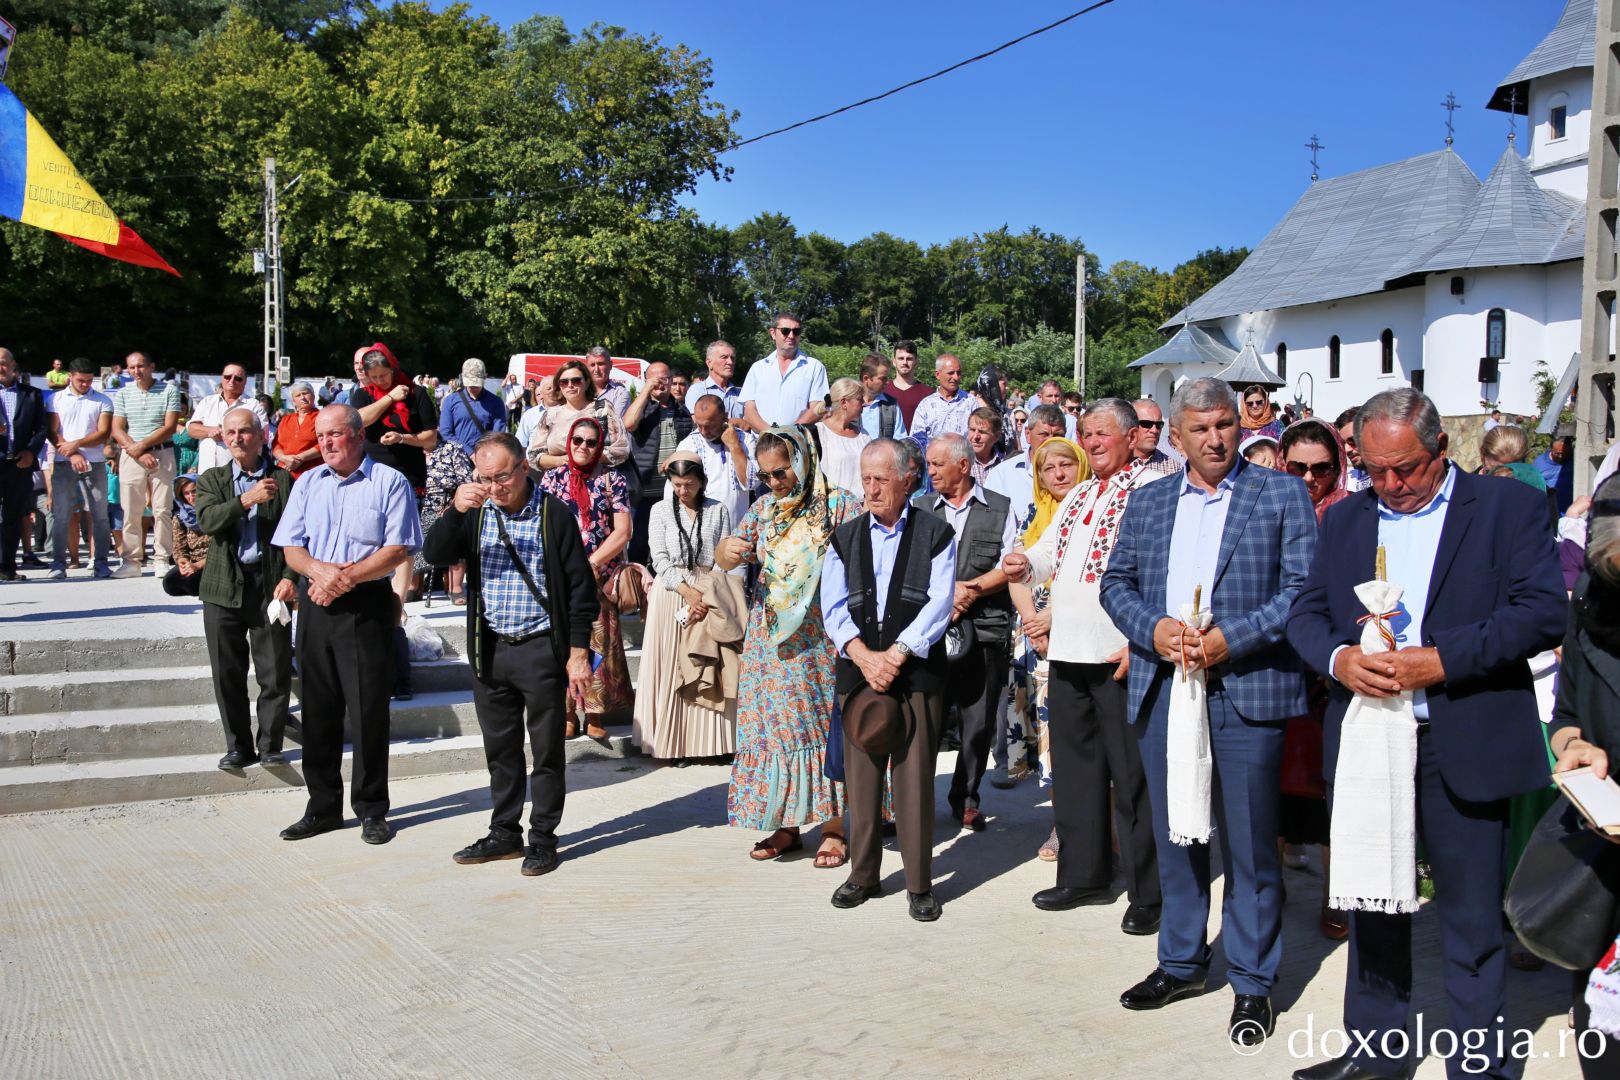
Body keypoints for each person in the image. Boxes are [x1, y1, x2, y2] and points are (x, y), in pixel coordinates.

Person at [1285, 388, 1566, 1080]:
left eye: (1405, 469)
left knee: (1471, 919)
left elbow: (1541, 614)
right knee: (1373, 905)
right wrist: (1340, 660)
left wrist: (1442, 659)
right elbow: (1307, 611)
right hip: (1371, 741)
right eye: (1373, 469)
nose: (1390, 485)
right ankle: (1375, 1055)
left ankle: (1481, 1064)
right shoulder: (1349, 517)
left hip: (1459, 737)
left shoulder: (1509, 509)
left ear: (1442, 450)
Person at [1099, 376, 1317, 1047]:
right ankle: (1182, 961)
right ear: (1175, 434)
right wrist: (1155, 629)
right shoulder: (1153, 499)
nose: (1215, 438)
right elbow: (1117, 581)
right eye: (1200, 428)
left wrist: (1234, 638)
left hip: (1245, 686)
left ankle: (1253, 982)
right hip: (1167, 686)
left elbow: (1303, 587)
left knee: (1250, 843)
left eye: (1224, 425)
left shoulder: (1279, 493)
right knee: (1176, 834)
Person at [1004, 399, 1162, 933]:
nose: (1092, 443)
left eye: (1102, 434)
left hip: (1118, 653)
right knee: (1076, 773)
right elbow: (1049, 552)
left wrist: (1140, 642)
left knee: (1132, 778)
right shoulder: (1080, 494)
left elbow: (1160, 572)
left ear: (1130, 435)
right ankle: (1084, 874)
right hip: (1068, 652)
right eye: (1086, 434)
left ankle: (1148, 892)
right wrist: (1025, 562)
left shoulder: (1151, 491)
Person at [422, 432, 597, 878]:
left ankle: (542, 838)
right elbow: (433, 553)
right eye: (486, 478)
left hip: (541, 648)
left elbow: (580, 589)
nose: (495, 486)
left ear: (523, 468)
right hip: (491, 647)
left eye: (503, 476)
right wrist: (456, 509)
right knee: (500, 749)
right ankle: (504, 832)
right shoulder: (476, 515)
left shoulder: (553, 515)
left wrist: (577, 654)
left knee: (546, 751)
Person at [271, 404, 422, 845]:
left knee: (368, 711)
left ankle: (372, 809)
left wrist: (345, 578)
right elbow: (291, 548)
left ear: (357, 435)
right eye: (320, 437)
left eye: (334, 434)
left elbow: (398, 548)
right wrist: (321, 573)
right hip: (318, 604)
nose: (326, 443)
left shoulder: (389, 481)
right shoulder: (309, 483)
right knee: (318, 711)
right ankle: (322, 808)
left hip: (367, 606)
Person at [715, 426, 862, 867]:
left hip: (821, 635)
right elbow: (723, 560)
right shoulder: (764, 510)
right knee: (777, 729)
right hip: (770, 638)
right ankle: (788, 824)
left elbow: (863, 566)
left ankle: (834, 826)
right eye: (766, 476)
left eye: (782, 473)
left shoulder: (839, 506)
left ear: (803, 461)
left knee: (821, 726)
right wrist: (729, 549)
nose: (775, 482)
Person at [822, 438, 955, 921]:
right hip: (858, 674)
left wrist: (895, 655)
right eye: (866, 478)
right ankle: (863, 874)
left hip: (916, 672)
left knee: (914, 778)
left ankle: (919, 884)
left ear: (907, 478)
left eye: (881, 479)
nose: (871, 489)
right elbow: (833, 609)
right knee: (861, 780)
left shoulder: (936, 533)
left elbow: (940, 604)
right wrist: (864, 657)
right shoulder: (845, 537)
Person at [1548, 480, 1620, 1079]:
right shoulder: (1592, 597)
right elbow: (1566, 715)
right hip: (1604, 858)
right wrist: (1572, 748)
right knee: (1600, 1031)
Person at [1276, 417, 1354, 939]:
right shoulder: (1268, 507)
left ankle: (1335, 896)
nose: (1309, 478)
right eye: (1297, 467)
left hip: (1329, 670)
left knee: (1331, 790)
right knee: (1274, 785)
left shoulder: (1350, 514)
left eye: (1321, 468)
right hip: (1277, 663)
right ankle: (1272, 883)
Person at [915, 433, 1015, 833]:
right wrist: (944, 599)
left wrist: (969, 590)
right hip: (930, 631)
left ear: (963, 464)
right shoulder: (920, 508)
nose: (931, 471)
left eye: (938, 464)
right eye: (929, 464)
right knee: (927, 720)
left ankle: (967, 799)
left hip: (986, 628)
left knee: (978, 722)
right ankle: (916, 799)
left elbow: (1010, 564)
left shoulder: (1000, 508)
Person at [194, 409, 297, 770]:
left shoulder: (283, 480)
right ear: (223, 437)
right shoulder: (212, 479)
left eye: (245, 432)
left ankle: (270, 745)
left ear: (261, 435)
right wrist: (246, 500)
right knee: (227, 674)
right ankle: (238, 746)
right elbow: (207, 521)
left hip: (269, 587)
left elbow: (297, 535)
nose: (237, 438)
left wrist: (290, 576)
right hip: (223, 588)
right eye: (230, 432)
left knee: (274, 672)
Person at [632, 452, 742, 761]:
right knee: (672, 666)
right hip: (672, 595)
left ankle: (709, 745)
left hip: (709, 593)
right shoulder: (660, 511)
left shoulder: (718, 510)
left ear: (702, 482)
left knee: (708, 665)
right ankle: (670, 744)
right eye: (677, 484)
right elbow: (660, 559)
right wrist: (687, 592)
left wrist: (705, 595)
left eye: (689, 484)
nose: (683, 491)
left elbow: (725, 557)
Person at [1006, 436, 1089, 834]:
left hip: (1078, 634)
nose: (1058, 475)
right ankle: (1061, 825)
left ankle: (1093, 826)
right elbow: (1017, 573)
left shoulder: (1092, 512)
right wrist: (1032, 621)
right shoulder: (1033, 514)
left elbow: (1094, 578)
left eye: (1066, 465)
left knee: (1079, 736)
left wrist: (1052, 618)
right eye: (1047, 468)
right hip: (1035, 642)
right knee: (1048, 739)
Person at [537, 416, 633, 737]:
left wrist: (590, 564)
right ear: (569, 442)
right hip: (560, 576)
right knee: (564, 643)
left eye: (591, 442)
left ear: (599, 446)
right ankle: (567, 713)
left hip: (599, 573)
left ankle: (595, 716)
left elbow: (623, 532)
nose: (583, 447)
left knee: (598, 641)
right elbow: (542, 528)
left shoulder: (613, 480)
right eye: (578, 440)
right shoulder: (551, 480)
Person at [109, 352, 181, 578]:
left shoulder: (170, 390)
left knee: (162, 509)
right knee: (131, 509)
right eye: (131, 367)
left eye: (141, 366)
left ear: (152, 367)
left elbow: (170, 426)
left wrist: (143, 446)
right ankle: (131, 561)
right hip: (131, 456)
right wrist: (137, 451)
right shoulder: (122, 393)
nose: (136, 371)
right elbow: (117, 428)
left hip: (162, 453)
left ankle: (161, 558)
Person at [46, 358, 115, 580]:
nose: (85, 384)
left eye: (88, 381)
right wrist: (72, 452)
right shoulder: (55, 399)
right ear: (70, 377)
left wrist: (76, 444)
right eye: (80, 380)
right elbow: (52, 431)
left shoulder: (102, 400)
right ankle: (58, 563)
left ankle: (101, 562)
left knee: (100, 515)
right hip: (63, 461)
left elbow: (103, 433)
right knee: (61, 515)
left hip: (94, 463)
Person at [623, 360, 693, 564]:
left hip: (673, 491)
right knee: (638, 544)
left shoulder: (681, 410)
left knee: (668, 546)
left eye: (664, 379)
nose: (660, 384)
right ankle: (636, 591)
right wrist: (646, 390)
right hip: (643, 490)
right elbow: (628, 424)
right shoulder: (642, 408)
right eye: (654, 379)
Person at [668, 395, 756, 528]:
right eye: (699, 425)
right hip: (700, 529)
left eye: (709, 425)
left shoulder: (746, 440)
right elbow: (673, 491)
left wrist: (734, 446)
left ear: (724, 417)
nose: (703, 431)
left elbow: (752, 482)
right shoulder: (688, 445)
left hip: (737, 527)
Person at [527, 359, 630, 471]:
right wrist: (562, 460)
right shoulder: (550, 414)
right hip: (559, 483)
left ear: (587, 383)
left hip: (596, 482)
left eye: (576, 381)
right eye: (564, 382)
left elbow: (621, 450)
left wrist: (583, 459)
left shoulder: (602, 409)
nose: (570, 385)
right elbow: (534, 456)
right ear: (559, 386)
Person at [0, 348, 48, 581]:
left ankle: (7, 567)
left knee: (14, 517)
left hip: (19, 464)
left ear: (13, 365)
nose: (0, 368)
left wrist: (31, 451)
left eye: (3, 363)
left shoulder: (32, 394)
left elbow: (41, 428)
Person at [739, 314, 828, 433]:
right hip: (761, 443)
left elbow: (817, 408)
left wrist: (789, 434)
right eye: (785, 331)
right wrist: (770, 434)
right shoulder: (757, 369)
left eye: (796, 331)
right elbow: (749, 411)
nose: (791, 336)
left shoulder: (814, 367)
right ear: (773, 333)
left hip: (799, 443)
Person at [985, 403, 1073, 521]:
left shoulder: (1075, 473)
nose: (1051, 441)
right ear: (1028, 434)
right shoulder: (1001, 476)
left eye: (1058, 435)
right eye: (1044, 434)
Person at [187, 364, 268, 474]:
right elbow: (191, 429)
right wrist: (210, 431)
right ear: (222, 378)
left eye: (238, 378)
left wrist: (230, 434)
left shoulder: (254, 406)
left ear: (245, 382)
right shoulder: (207, 401)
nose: (232, 381)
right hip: (207, 471)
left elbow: (263, 437)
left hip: (241, 473)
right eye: (228, 377)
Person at [909, 353, 976, 460]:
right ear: (938, 375)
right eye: (951, 373)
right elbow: (916, 441)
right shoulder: (926, 405)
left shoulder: (970, 402)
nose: (956, 377)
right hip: (934, 468)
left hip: (962, 466)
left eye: (958, 373)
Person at [437, 359, 507, 459]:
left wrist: (482, 456)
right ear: (462, 377)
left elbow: (498, 435)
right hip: (457, 458)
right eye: (470, 384)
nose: (473, 387)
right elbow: (446, 433)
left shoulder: (496, 402)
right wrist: (469, 453)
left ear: (485, 377)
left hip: (486, 458)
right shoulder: (450, 401)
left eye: (477, 384)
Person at [816, 378, 871, 495]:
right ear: (844, 403)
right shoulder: (819, 432)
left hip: (861, 507)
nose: (864, 403)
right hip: (832, 506)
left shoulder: (863, 435)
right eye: (859, 400)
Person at [163, 474, 206, 597]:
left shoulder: (213, 511)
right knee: (170, 583)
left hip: (213, 561)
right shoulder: (181, 516)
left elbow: (221, 548)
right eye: (186, 494)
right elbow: (179, 546)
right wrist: (183, 561)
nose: (191, 497)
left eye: (194, 492)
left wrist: (198, 565)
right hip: (193, 560)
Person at [271, 382, 321, 480]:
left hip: (311, 475)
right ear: (293, 401)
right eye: (298, 395)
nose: (302, 397)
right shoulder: (286, 419)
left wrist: (299, 459)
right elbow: (276, 444)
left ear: (313, 396)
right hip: (284, 474)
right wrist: (283, 458)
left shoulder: (322, 417)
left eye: (305, 393)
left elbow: (325, 444)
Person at [686, 340, 745, 419]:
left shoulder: (741, 394)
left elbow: (750, 425)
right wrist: (738, 423)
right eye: (724, 357)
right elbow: (701, 422)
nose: (730, 362)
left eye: (732, 358)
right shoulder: (698, 390)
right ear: (709, 363)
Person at [881, 340, 931, 430]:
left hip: (917, 443)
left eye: (909, 359)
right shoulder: (882, 392)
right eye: (901, 358)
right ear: (894, 362)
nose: (904, 362)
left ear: (916, 362)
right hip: (888, 443)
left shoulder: (928, 394)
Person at [857, 353, 906, 440]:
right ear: (866, 379)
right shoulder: (849, 403)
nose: (887, 382)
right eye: (883, 378)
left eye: (887, 378)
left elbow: (900, 440)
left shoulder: (891, 405)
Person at [1133, 399, 1183, 477]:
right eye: (1147, 424)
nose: (1155, 430)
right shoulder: (1114, 462)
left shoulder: (1174, 469)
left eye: (1159, 425)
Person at [1534, 425, 1576, 516]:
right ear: (1551, 449)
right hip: (1549, 510)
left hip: (1569, 509)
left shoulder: (1574, 461)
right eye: (1557, 453)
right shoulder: (1539, 463)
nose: (1561, 456)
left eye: (1564, 453)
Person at [585, 346, 631, 416]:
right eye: (592, 365)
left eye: (600, 364)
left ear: (610, 365)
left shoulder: (620, 393)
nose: (596, 370)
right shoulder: (581, 390)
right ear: (587, 367)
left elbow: (614, 422)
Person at [966, 407, 1004, 483]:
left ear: (996, 436)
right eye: (972, 430)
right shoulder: (957, 463)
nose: (976, 436)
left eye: (982, 432)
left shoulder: (1004, 463)